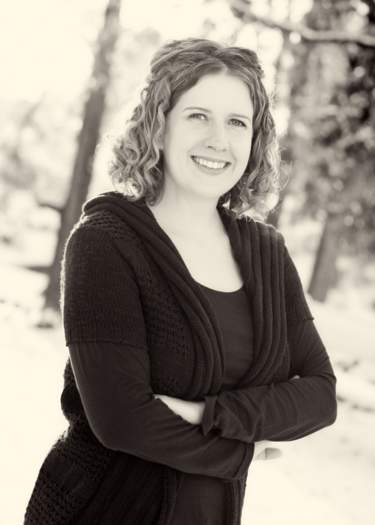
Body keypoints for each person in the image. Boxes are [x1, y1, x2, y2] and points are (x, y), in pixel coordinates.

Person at [24, 38, 337, 525]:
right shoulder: (106, 241)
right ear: (159, 124)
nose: (219, 139)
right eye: (198, 116)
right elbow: (122, 421)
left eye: (237, 122)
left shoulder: (267, 254)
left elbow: (319, 395)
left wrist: (206, 414)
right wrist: (241, 455)